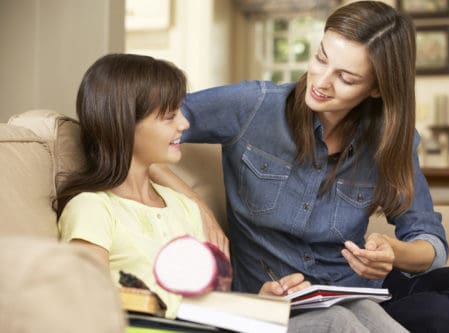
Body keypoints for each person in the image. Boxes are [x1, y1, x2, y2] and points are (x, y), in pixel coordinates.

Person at [150, 1, 449, 332]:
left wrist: (394, 253)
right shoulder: (252, 107)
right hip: (289, 304)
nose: (320, 82)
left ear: (377, 89)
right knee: (447, 317)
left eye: (346, 78)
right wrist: (197, 205)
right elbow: (134, 129)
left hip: (368, 293)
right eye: (320, 58)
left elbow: (429, 242)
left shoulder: (391, 138)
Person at [55, 53, 406, 332]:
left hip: (217, 325)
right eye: (168, 115)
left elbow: (210, 302)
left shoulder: (184, 208)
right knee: (336, 324)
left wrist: (261, 300)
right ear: (123, 124)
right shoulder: (92, 209)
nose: (184, 123)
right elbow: (88, 307)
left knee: (359, 308)